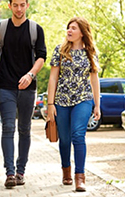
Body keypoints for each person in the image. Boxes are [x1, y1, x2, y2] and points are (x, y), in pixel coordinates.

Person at [0, 0, 47, 188]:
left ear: (27, 5)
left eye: (22, 4)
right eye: (15, 5)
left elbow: (41, 57)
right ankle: (10, 174)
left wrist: (30, 74)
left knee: (24, 129)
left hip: (28, 87)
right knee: (8, 127)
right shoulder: (0, 29)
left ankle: (21, 170)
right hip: (5, 85)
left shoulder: (35, 29)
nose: (19, 8)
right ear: (9, 6)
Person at [47, 17, 100, 192]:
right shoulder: (60, 50)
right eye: (68, 28)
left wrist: (97, 105)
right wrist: (50, 104)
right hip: (62, 101)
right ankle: (66, 172)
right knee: (64, 140)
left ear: (82, 32)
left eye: (73, 28)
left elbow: (94, 79)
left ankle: (80, 177)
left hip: (83, 99)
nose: (69, 31)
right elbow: (53, 78)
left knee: (78, 135)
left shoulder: (90, 53)